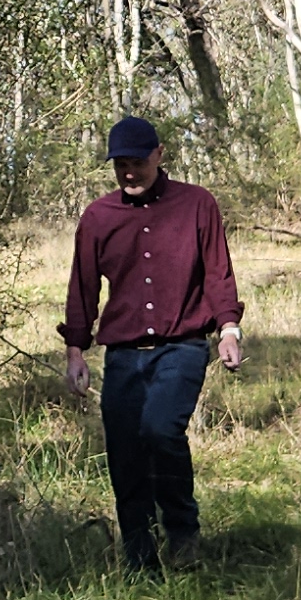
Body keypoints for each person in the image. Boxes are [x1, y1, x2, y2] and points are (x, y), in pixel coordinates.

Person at [59, 115, 244, 573]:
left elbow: (218, 272)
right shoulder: (99, 217)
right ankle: (139, 555)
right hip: (122, 355)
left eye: (137, 163)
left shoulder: (197, 205)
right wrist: (76, 350)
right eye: (120, 165)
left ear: (159, 156)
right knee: (125, 450)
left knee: (161, 431)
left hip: (181, 346)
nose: (129, 173)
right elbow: (82, 287)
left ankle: (183, 535)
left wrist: (228, 330)